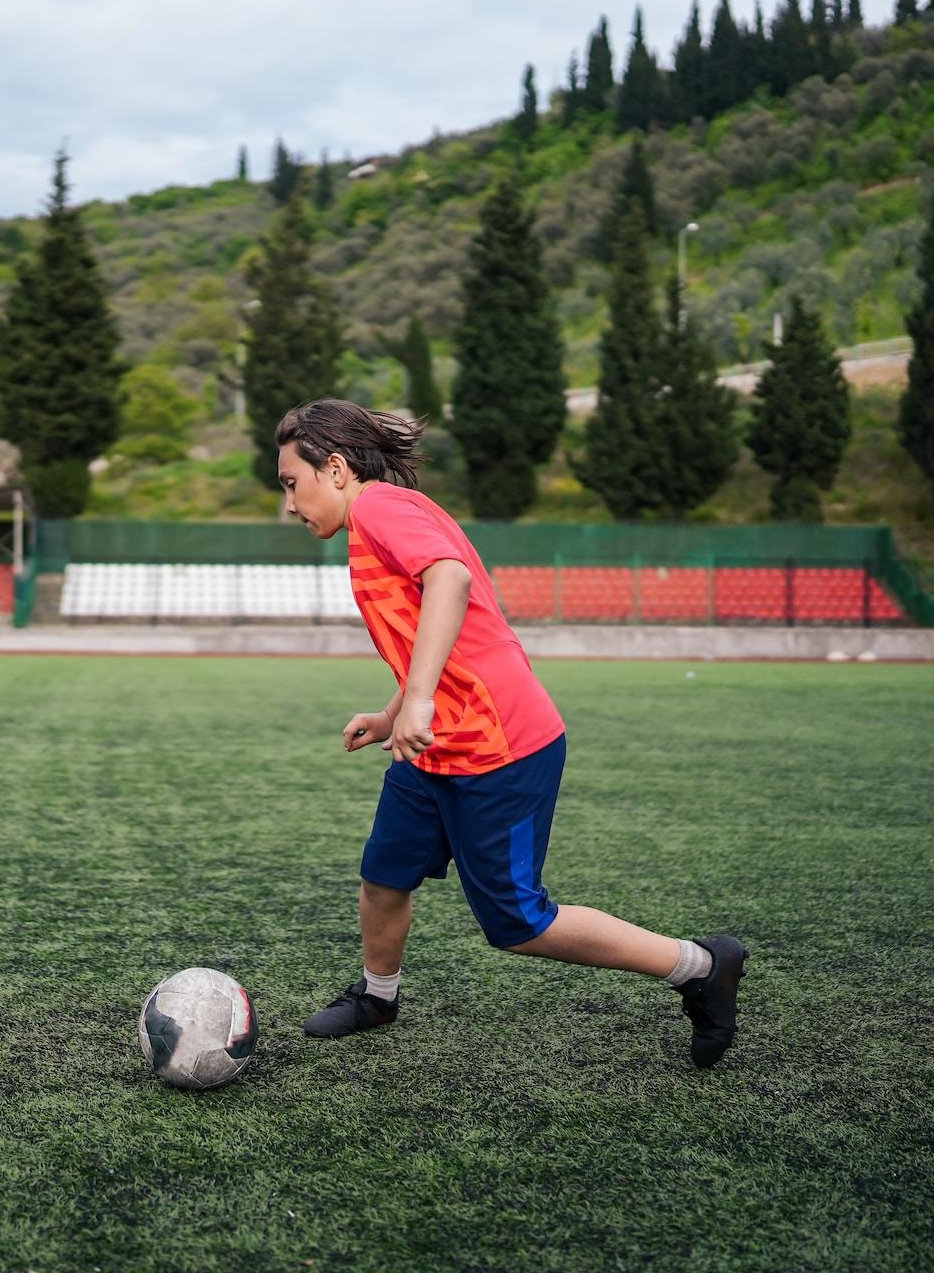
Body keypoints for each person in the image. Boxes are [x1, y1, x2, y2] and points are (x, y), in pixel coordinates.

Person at [275, 399, 747, 1068]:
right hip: (439, 744)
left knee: (519, 923)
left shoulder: (381, 508)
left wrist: (417, 701)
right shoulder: (382, 514)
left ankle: (701, 966)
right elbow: (438, 631)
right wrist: (396, 711)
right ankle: (378, 997)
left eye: (293, 483)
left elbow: (451, 580)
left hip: (500, 746)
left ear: (339, 469)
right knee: (385, 875)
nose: (292, 504)